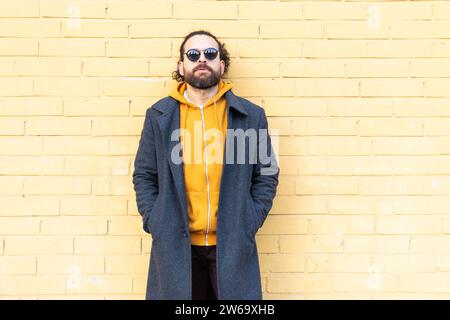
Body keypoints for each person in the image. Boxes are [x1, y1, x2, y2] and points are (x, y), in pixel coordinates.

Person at [132, 30, 279, 300]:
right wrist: (155, 220)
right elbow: (144, 174)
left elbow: (267, 173)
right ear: (181, 66)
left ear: (221, 65)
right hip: (177, 246)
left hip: (232, 245)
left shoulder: (250, 116)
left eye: (211, 54)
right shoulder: (159, 116)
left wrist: (250, 218)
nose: (202, 59)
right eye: (193, 54)